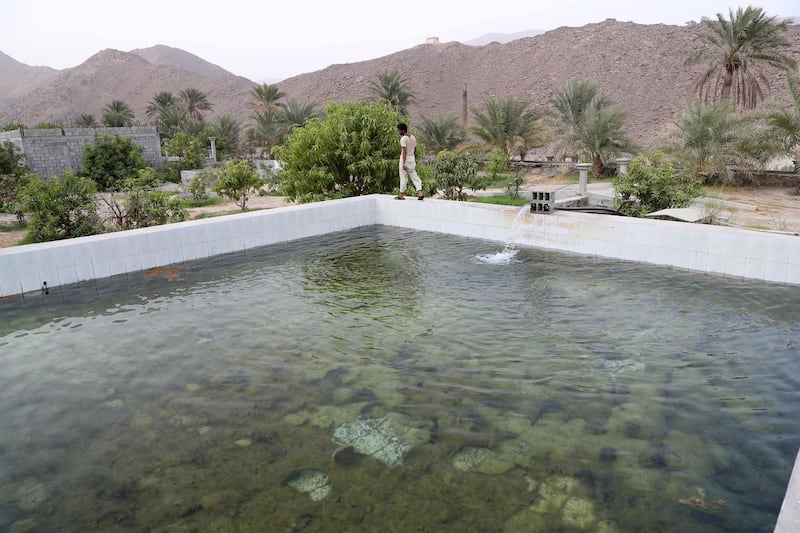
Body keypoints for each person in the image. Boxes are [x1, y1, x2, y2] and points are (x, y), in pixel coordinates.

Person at [396, 122, 423, 200]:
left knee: (403, 177)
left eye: (399, 130)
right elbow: (415, 150)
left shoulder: (403, 139)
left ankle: (401, 195)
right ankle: (420, 193)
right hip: (412, 160)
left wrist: (404, 163)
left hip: (405, 160)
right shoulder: (413, 137)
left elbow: (404, 152)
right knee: (414, 176)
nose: (399, 132)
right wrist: (411, 157)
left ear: (403, 130)